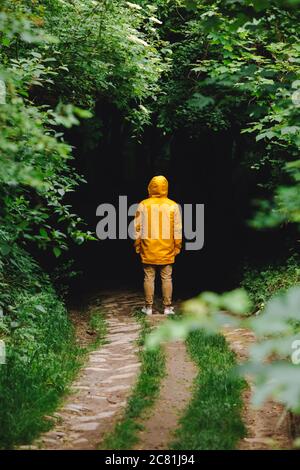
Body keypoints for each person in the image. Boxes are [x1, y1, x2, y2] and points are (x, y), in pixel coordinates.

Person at [134, 175, 182, 315]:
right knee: (167, 278)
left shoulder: (143, 204)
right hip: (167, 248)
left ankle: (148, 308)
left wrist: (138, 245)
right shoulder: (173, 205)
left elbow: (137, 228)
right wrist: (177, 246)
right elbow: (177, 229)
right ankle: (167, 308)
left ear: (150, 187)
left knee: (148, 277)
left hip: (148, 247)